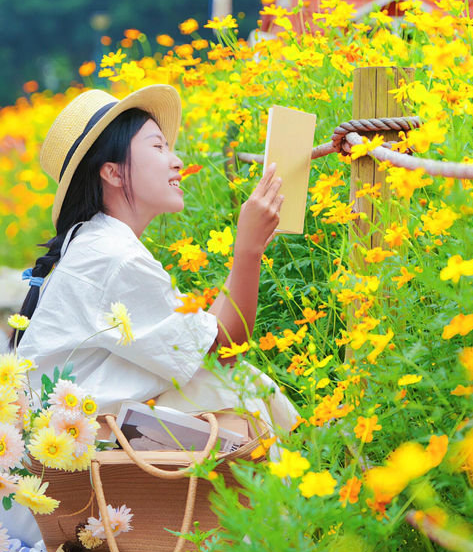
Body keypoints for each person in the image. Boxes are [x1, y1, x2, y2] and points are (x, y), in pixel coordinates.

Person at [13, 84, 298, 436]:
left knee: (231, 384)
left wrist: (249, 247)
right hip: (68, 458)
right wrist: (248, 251)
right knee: (236, 388)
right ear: (113, 172)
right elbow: (225, 350)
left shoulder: (100, 243)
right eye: (158, 146)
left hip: (65, 442)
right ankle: (314, 471)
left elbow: (207, 341)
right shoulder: (113, 256)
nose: (176, 159)